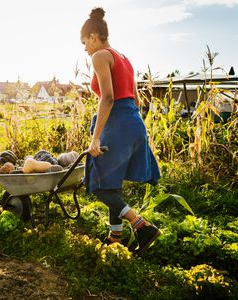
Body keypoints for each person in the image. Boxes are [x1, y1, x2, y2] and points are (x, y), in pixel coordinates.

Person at [81, 7, 161, 254]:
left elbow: (107, 99)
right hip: (134, 123)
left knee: (98, 184)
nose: (85, 48)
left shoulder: (100, 57)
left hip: (117, 125)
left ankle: (142, 225)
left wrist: (96, 139)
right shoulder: (124, 58)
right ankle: (115, 236)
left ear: (94, 36)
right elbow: (136, 99)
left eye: (85, 42)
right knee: (111, 184)